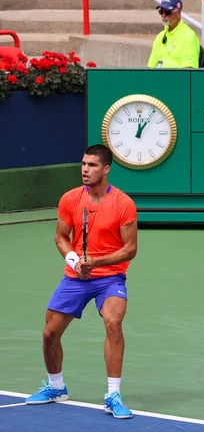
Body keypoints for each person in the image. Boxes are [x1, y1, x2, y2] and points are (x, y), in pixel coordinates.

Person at [26, 144, 138, 419]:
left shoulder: (123, 203)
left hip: (110, 277)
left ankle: (113, 394)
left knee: (113, 323)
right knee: (49, 334)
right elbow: (60, 237)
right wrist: (75, 260)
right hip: (76, 277)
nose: (85, 170)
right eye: (83, 164)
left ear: (106, 169)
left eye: (92, 165)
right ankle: (56, 387)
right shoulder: (70, 199)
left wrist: (97, 263)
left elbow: (130, 248)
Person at [147, 0, 202, 69]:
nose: (163, 15)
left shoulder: (189, 36)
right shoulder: (159, 37)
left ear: (178, 13)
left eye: (167, 12)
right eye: (161, 12)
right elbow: (150, 68)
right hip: (157, 79)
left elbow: (188, 71)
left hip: (177, 79)